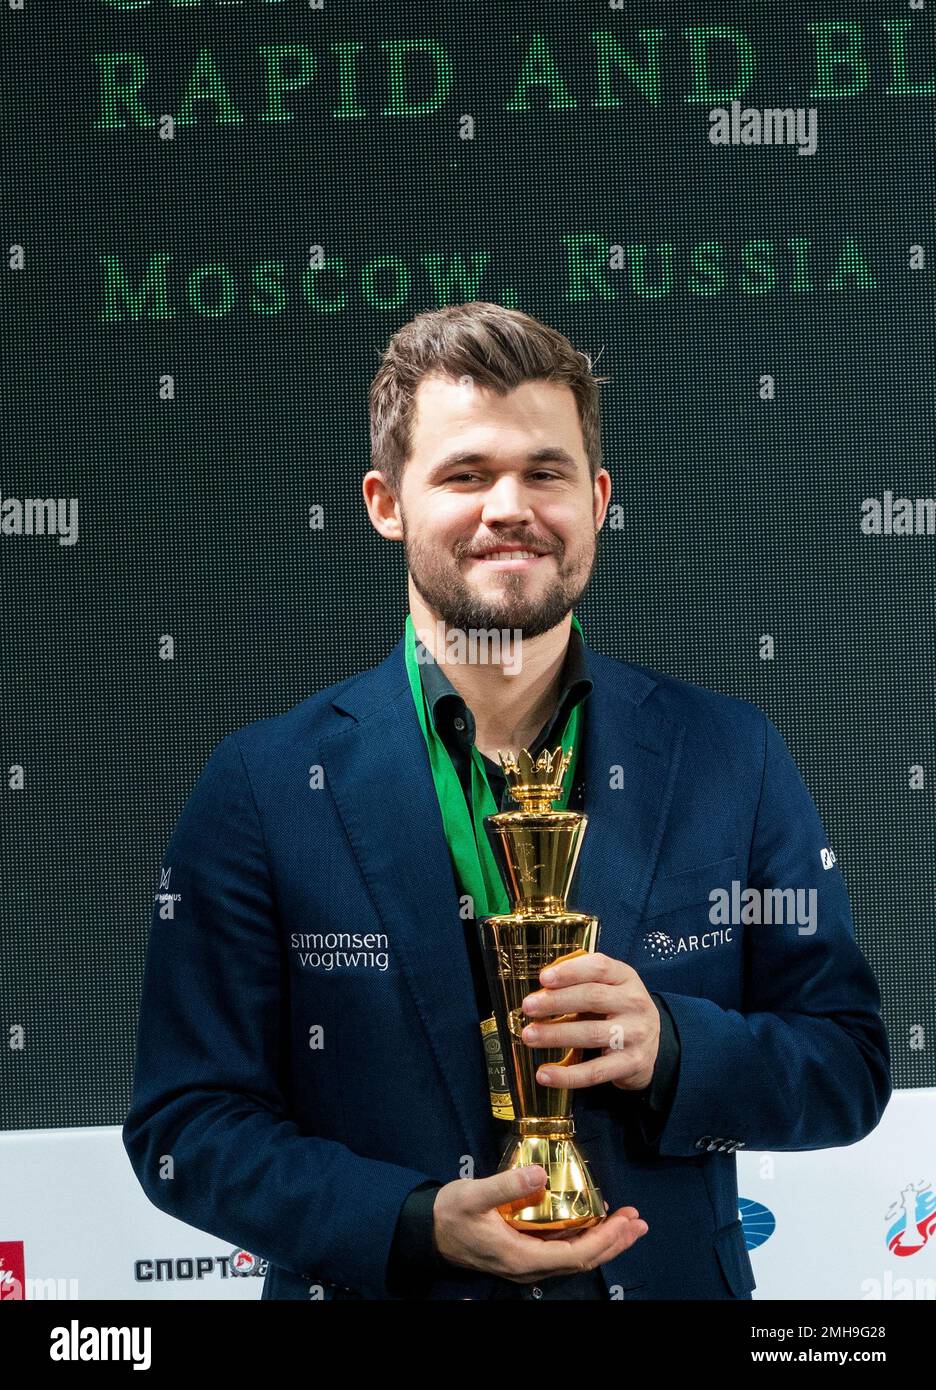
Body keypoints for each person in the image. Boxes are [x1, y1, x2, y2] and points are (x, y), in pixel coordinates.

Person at [122, 301, 892, 1301]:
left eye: (544, 471)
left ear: (599, 496)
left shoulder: (728, 753)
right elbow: (185, 1124)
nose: (509, 506)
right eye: (466, 473)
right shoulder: (263, 786)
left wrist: (673, 1044)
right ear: (384, 502)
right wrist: (412, 1221)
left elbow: (847, 1064)